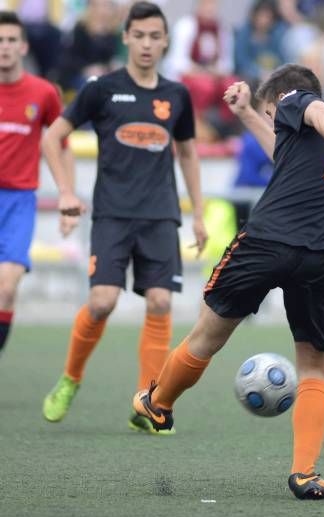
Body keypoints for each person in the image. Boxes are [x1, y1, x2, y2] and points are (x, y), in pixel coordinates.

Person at [130, 64, 324, 501]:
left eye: (268, 115)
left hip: (270, 238)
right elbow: (284, 151)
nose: (272, 123)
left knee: (207, 335)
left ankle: (158, 402)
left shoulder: (301, 104)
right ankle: (305, 474)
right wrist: (246, 113)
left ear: (279, 103)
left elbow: (318, 111)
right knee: (315, 366)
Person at [40, 2, 208, 434]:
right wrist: (64, 192)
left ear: (166, 41)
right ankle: (70, 378)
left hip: (159, 216)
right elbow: (53, 136)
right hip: (112, 215)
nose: (148, 44)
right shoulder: (101, 89)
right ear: (126, 38)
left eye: (155, 36)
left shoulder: (177, 95)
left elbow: (188, 153)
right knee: (102, 302)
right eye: (140, 36)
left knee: (160, 301)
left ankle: (146, 403)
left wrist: (200, 215)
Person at [0, 11, 72, 357]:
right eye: (0, 40)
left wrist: (67, 195)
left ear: (23, 46)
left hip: (18, 202)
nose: (5, 47)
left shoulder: (43, 93)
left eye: (11, 40)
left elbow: (62, 143)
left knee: (7, 289)